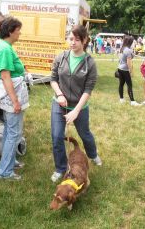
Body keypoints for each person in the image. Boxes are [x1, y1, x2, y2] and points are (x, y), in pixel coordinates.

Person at [49, 25, 102, 183]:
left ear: (84, 40)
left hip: (80, 107)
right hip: (59, 104)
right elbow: (53, 79)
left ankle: (93, 155)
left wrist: (76, 111)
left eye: (76, 40)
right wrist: (59, 94)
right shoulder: (61, 57)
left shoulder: (90, 63)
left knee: (85, 134)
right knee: (57, 136)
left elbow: (88, 89)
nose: (72, 42)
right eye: (70, 39)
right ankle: (60, 168)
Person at [0, 16, 29, 180]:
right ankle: (4, 172)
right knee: (14, 133)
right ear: (11, 31)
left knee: (10, 130)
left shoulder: (5, 45)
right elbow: (6, 76)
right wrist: (15, 102)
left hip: (12, 93)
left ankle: (10, 160)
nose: (20, 32)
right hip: (11, 95)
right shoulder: (4, 48)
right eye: (18, 29)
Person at [117, 36, 142, 106]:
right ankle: (133, 101)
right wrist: (131, 71)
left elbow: (122, 57)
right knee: (129, 85)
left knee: (121, 84)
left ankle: (121, 99)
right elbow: (129, 62)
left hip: (120, 68)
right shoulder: (128, 50)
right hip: (125, 70)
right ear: (130, 42)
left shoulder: (123, 48)